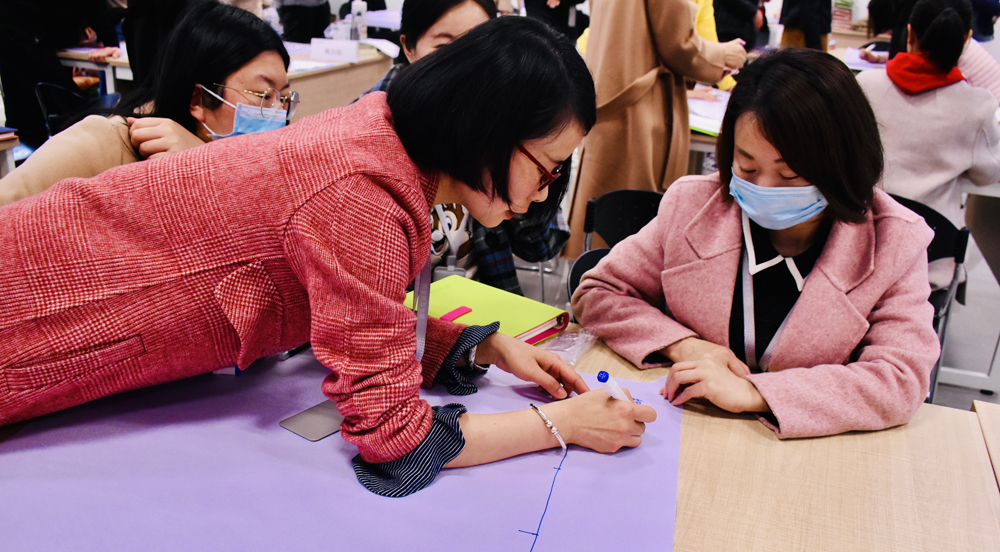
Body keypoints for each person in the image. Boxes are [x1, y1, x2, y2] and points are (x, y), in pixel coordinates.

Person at [0, 16, 655, 497]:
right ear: (487, 129)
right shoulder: (364, 193)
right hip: (31, 312)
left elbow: (338, 307)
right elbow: (395, 439)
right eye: (546, 168)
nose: (542, 194)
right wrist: (561, 424)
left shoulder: (378, 136)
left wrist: (480, 347)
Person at [573, 49, 940, 439]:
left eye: (790, 175)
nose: (764, 187)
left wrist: (756, 392)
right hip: (686, 429)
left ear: (841, 164)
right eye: (747, 167)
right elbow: (599, 292)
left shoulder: (894, 240)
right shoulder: (693, 204)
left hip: (807, 451)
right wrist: (685, 346)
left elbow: (900, 379)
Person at [0, 2, 297, 207]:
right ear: (199, 99)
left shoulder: (256, 163)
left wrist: (202, 164)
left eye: (283, 98)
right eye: (263, 95)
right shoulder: (106, 143)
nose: (278, 113)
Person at [364, 0, 571, 295]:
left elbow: (542, 245)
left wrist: (532, 168)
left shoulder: (498, 120)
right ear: (408, 47)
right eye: (444, 48)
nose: (463, 68)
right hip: (405, 313)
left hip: (485, 305)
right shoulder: (372, 131)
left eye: (478, 51)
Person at [564, 0, 747, 258]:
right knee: (634, 234)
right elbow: (679, 44)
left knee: (602, 223)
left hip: (611, 96)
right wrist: (724, 56)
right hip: (639, 110)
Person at [858, 0, 1000, 289]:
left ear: (909, 33)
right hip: (928, 263)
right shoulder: (978, 106)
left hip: (860, 252)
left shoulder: (865, 86)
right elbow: (988, 175)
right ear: (966, 39)